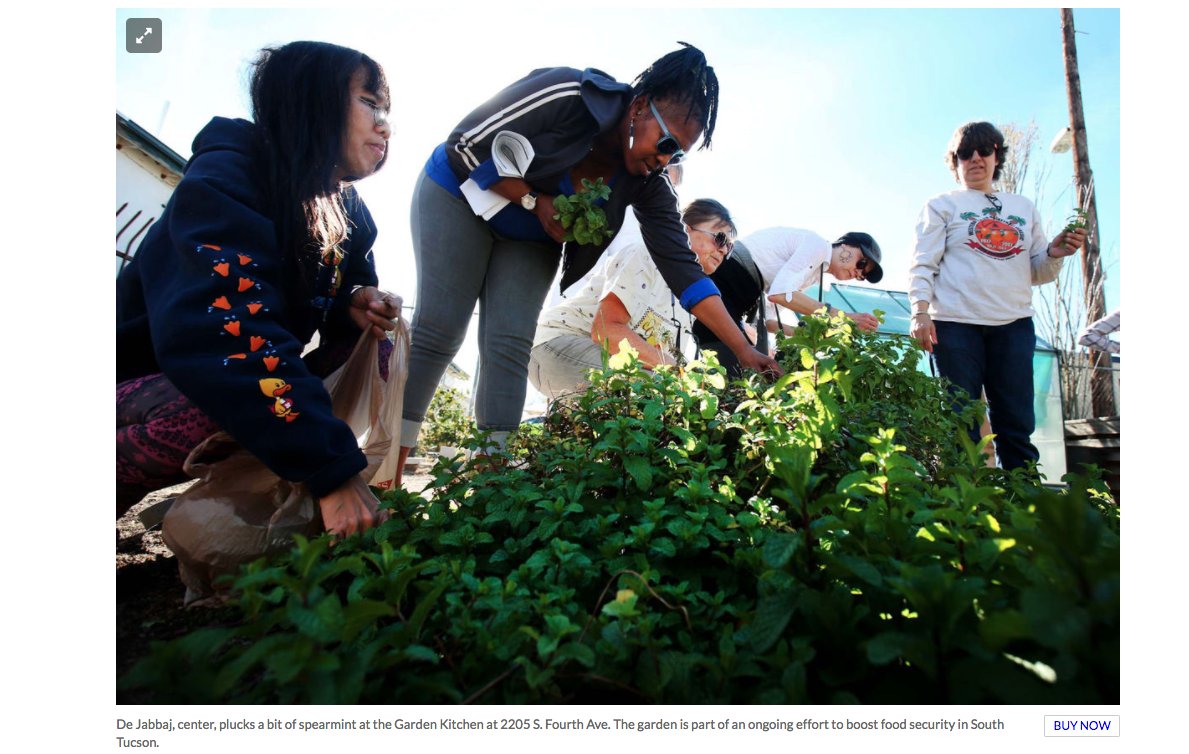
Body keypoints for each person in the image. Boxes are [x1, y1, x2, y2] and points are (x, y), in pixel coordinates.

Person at [397, 43, 781, 480]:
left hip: (531, 232)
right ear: (638, 108)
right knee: (441, 329)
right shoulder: (568, 94)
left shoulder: (649, 184)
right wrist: (533, 198)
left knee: (508, 343)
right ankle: (387, 467)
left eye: (677, 155)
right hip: (460, 193)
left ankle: (490, 479)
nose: (664, 160)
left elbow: (684, 270)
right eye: (666, 143)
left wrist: (744, 350)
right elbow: (463, 146)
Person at [116, 41, 398, 538]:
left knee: (371, 339)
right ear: (312, 100)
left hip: (230, 380)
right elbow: (229, 333)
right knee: (217, 406)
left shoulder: (348, 212)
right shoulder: (229, 177)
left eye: (387, 111)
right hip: (147, 382)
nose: (384, 124)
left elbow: (327, 300)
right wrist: (330, 472)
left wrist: (352, 303)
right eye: (371, 103)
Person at [908, 121, 1087, 471]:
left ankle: (1023, 501)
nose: (975, 158)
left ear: (996, 156)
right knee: (962, 422)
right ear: (954, 161)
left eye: (983, 150)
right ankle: (967, 507)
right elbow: (922, 262)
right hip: (955, 326)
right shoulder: (941, 205)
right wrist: (920, 311)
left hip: (1014, 325)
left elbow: (1036, 271)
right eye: (965, 153)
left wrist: (1055, 252)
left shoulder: (1022, 206)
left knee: (1016, 423)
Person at [530, 199, 735, 401]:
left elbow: (659, 362)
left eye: (730, 247)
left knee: (671, 394)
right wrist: (679, 373)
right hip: (557, 343)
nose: (724, 251)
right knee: (660, 392)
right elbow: (606, 331)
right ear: (685, 230)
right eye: (720, 239)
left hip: (598, 360)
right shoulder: (644, 254)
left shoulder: (687, 300)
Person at [693, 228, 883, 375]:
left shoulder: (811, 275)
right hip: (732, 277)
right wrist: (843, 317)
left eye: (863, 276)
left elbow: (766, 321)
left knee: (734, 368)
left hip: (741, 293)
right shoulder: (817, 246)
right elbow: (781, 294)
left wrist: (802, 334)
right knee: (731, 368)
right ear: (846, 244)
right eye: (862, 262)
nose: (859, 272)